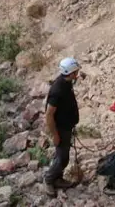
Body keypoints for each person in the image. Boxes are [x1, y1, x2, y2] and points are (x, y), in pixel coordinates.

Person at [44, 57, 80, 198]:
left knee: (62, 154)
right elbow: (49, 115)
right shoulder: (57, 90)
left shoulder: (66, 82)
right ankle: (49, 179)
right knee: (62, 157)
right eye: (75, 72)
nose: (77, 74)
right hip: (61, 129)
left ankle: (57, 179)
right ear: (70, 73)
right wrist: (55, 135)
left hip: (66, 125)